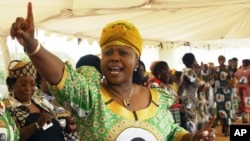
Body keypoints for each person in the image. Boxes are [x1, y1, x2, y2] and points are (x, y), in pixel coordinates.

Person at [9, 2, 216, 140]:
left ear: (136, 62)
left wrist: (192, 137)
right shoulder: (90, 98)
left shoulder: (157, 98)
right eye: (108, 52)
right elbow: (61, 75)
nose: (114, 57)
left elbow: (171, 132)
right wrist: (32, 45)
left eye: (123, 52)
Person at [4, 60, 79, 141]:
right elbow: (9, 138)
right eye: (23, 84)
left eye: (32, 84)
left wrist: (67, 128)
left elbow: (52, 130)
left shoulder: (41, 102)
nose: (28, 89)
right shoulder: (5, 108)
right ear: (11, 84)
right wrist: (36, 125)